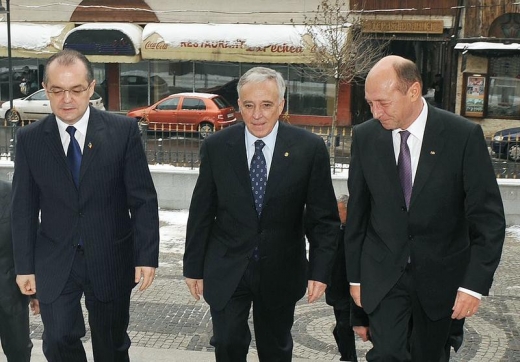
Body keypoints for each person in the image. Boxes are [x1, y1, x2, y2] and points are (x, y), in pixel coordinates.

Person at [344, 55, 505, 361]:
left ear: (413, 91)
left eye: (383, 102)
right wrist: (355, 281)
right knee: (387, 354)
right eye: (370, 103)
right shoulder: (366, 137)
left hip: (440, 279)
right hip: (383, 275)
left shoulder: (461, 136)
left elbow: (488, 220)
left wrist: (473, 286)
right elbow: (358, 217)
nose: (375, 112)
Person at [11, 49, 160, 362]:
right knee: (58, 339)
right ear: (45, 88)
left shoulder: (123, 132)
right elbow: (23, 207)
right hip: (54, 258)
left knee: (112, 345)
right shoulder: (30, 139)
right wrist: (24, 266)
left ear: (92, 87)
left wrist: (146, 256)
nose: (67, 99)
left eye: (76, 89)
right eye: (57, 90)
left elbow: (143, 200)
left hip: (110, 256)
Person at [183, 66, 339, 362]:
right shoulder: (217, 147)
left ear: (281, 105)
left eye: (266, 105)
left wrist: (320, 271)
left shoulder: (309, 149)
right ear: (239, 105)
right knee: (227, 342)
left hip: (281, 268)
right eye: (249, 105)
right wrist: (193, 266)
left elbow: (324, 220)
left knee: (276, 349)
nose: (257, 114)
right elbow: (202, 211)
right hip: (227, 266)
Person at [0, 180, 38, 362]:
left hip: (11, 295)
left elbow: (32, 243)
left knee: (19, 351)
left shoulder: (13, 194)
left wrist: (36, 294)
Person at [325, 195, 358, 362]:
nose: (336, 214)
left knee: (344, 327)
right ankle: (347, 356)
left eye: (339, 211)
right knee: (340, 328)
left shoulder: (354, 234)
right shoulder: (335, 231)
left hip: (350, 290)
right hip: (336, 289)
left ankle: (349, 357)